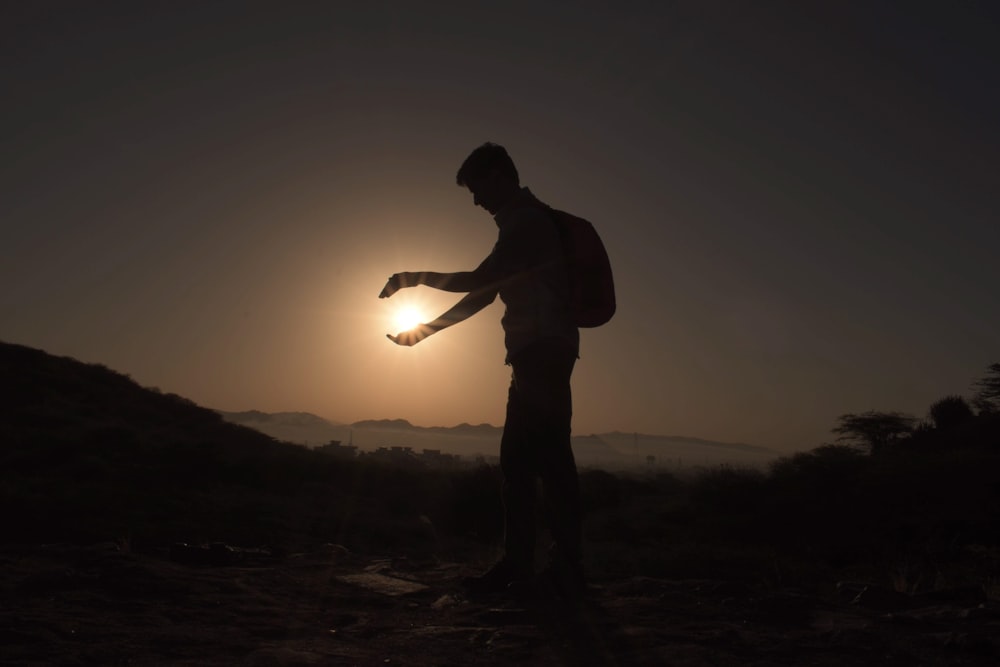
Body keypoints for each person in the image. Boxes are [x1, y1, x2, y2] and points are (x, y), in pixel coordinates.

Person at [379, 142, 584, 597]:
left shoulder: (526, 224)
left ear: (499, 176)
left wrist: (413, 278)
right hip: (537, 352)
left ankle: (552, 569)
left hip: (542, 352)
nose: (475, 200)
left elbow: (478, 282)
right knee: (525, 462)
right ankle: (530, 567)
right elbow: (486, 294)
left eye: (477, 189)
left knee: (544, 462)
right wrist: (424, 331)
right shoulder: (521, 223)